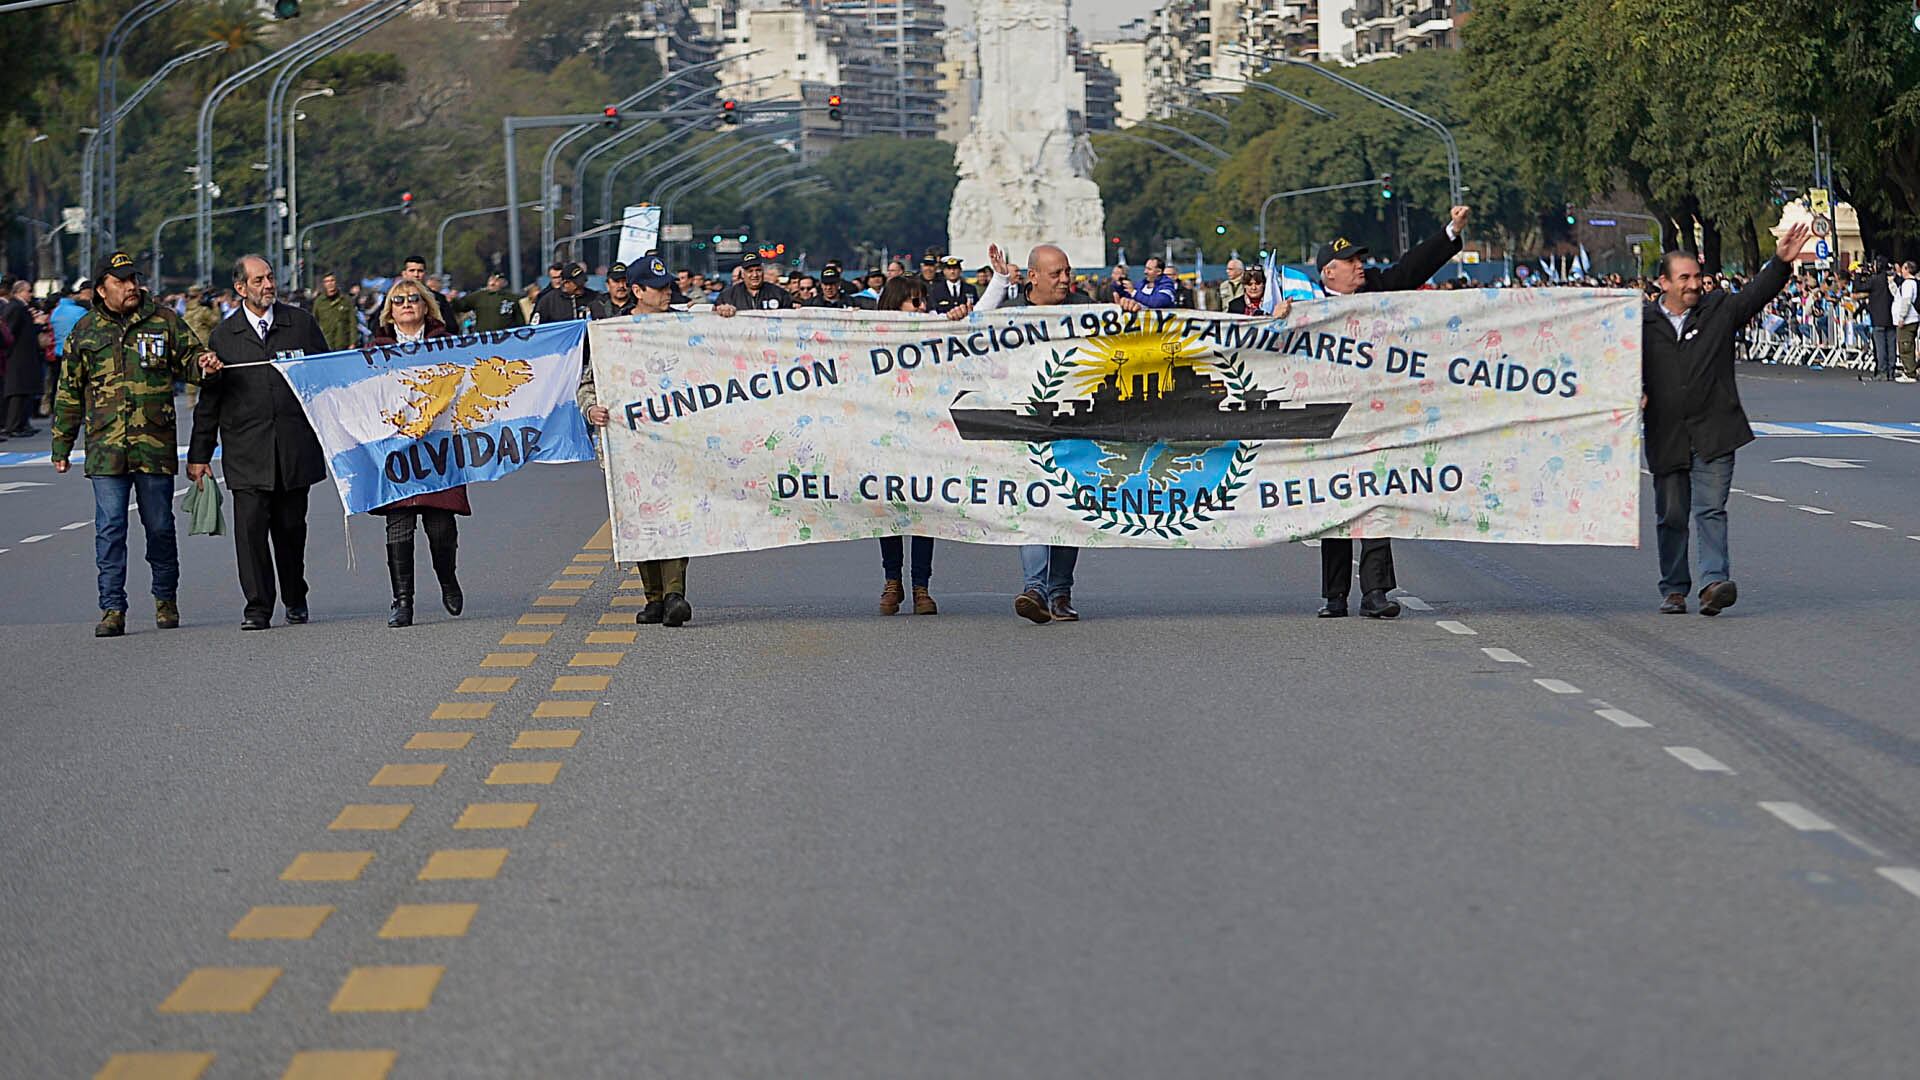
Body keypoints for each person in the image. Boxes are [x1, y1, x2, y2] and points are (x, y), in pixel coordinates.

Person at [1313, 206, 1472, 619]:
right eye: (1350, 262)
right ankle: (1334, 596)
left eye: (1360, 260)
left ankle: (1376, 592)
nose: (1360, 267)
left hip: (1374, 418)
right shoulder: (1305, 311)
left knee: (1374, 502)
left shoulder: (1378, 291)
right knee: (1334, 507)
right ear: (1328, 272)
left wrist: (1451, 232)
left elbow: (1411, 268)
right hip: (1328, 421)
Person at [1643, 224, 1810, 616]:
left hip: (1714, 431)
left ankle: (1713, 584)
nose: (1693, 284)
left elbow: (1755, 295)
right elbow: (1615, 369)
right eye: (1684, 277)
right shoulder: (1641, 325)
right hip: (1666, 435)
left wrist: (1781, 262)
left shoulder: (1718, 310)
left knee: (1711, 509)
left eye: (1697, 276)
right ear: (1663, 282)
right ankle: (1673, 589)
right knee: (1671, 516)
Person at [50, 253, 216, 637]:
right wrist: (61, 445)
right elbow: (69, 392)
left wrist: (204, 365)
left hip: (153, 445)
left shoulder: (163, 321)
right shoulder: (85, 331)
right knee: (110, 528)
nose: (130, 287)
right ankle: (112, 607)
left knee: (159, 526)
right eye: (121, 281)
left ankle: (165, 598)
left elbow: (189, 359)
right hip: (106, 447)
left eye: (133, 280)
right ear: (101, 287)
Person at [187, 254, 330, 631]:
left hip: (293, 449)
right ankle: (257, 608)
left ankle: (295, 597)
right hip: (246, 452)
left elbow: (329, 382)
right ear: (240, 289)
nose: (268, 286)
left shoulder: (300, 325)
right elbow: (210, 400)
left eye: (270, 278)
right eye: (258, 280)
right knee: (250, 536)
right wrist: (199, 455)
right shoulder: (224, 336)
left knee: (290, 531)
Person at [972, 242, 1093, 623]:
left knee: (1069, 508)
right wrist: (999, 281)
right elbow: (971, 328)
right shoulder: (1011, 314)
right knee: (1034, 505)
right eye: (1056, 273)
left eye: (1067, 271)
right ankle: (1035, 589)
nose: (1064, 279)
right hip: (1024, 426)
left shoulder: (1085, 306)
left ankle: (1060, 592)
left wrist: (1129, 312)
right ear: (1034, 276)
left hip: (1076, 423)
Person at [578, 255, 697, 627]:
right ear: (636, 291)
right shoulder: (611, 333)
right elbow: (587, 384)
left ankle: (676, 593)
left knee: (675, 514)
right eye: (658, 289)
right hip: (627, 444)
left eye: (668, 288)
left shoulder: (684, 324)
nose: (666, 294)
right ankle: (655, 597)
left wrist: (726, 314)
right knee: (639, 516)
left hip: (675, 440)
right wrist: (590, 409)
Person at [369, 279, 468, 627]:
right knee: (399, 525)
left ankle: (447, 579)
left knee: (440, 525)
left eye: (414, 299)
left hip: (437, 447)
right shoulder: (376, 350)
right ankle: (402, 601)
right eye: (399, 300)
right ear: (390, 311)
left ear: (426, 306)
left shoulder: (446, 344)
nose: (407, 304)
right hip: (396, 448)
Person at [867, 274, 941, 615]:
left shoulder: (934, 335)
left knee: (924, 512)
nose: (922, 307)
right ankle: (892, 581)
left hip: (924, 438)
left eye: (923, 300)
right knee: (890, 512)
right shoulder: (870, 339)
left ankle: (921, 586)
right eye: (915, 301)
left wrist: (1000, 280)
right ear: (894, 305)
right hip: (886, 438)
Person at [2, 278, 45, 437]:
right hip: (17, 356)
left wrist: (37, 325)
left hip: (25, 355)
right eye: (28, 291)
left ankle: (22, 424)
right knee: (17, 392)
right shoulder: (15, 307)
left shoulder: (21, 307)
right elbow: (9, 331)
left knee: (25, 391)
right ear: (19, 292)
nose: (31, 294)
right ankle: (14, 425)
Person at [532, 262, 611, 324]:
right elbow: (536, 328)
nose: (581, 287)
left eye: (582, 282)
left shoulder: (595, 297)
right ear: (566, 283)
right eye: (577, 285)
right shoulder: (548, 301)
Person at [715, 252, 793, 310]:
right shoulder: (727, 296)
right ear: (743, 274)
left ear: (763, 271)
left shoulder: (780, 294)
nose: (755, 275)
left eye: (758, 270)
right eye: (750, 271)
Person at [452, 272, 526, 332]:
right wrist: (453, 300)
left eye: (497, 281)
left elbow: (519, 321)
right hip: (484, 339)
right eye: (491, 280)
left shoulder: (512, 298)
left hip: (505, 338)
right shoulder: (479, 296)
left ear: (504, 283)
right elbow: (461, 306)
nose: (492, 283)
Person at [313, 271, 358, 351]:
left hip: (343, 344)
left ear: (336, 282)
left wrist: (353, 342)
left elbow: (353, 322)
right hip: (326, 344)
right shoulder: (319, 302)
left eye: (332, 280)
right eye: (327, 281)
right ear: (324, 284)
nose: (330, 283)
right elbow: (314, 323)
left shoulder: (346, 300)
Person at [399, 255, 452, 321]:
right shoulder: (393, 297)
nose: (416, 274)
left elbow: (451, 326)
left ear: (425, 273)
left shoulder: (438, 298)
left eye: (420, 271)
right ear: (404, 273)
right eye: (412, 271)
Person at [1895, 261, 1919, 383]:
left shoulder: (1908, 284)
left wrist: (1902, 317)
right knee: (1908, 344)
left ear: (1908, 269)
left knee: (1905, 345)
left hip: (1908, 319)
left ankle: (1910, 372)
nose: (1901, 271)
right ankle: (1910, 369)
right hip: (1913, 318)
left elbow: (1906, 301)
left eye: (1904, 269)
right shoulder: (1914, 283)